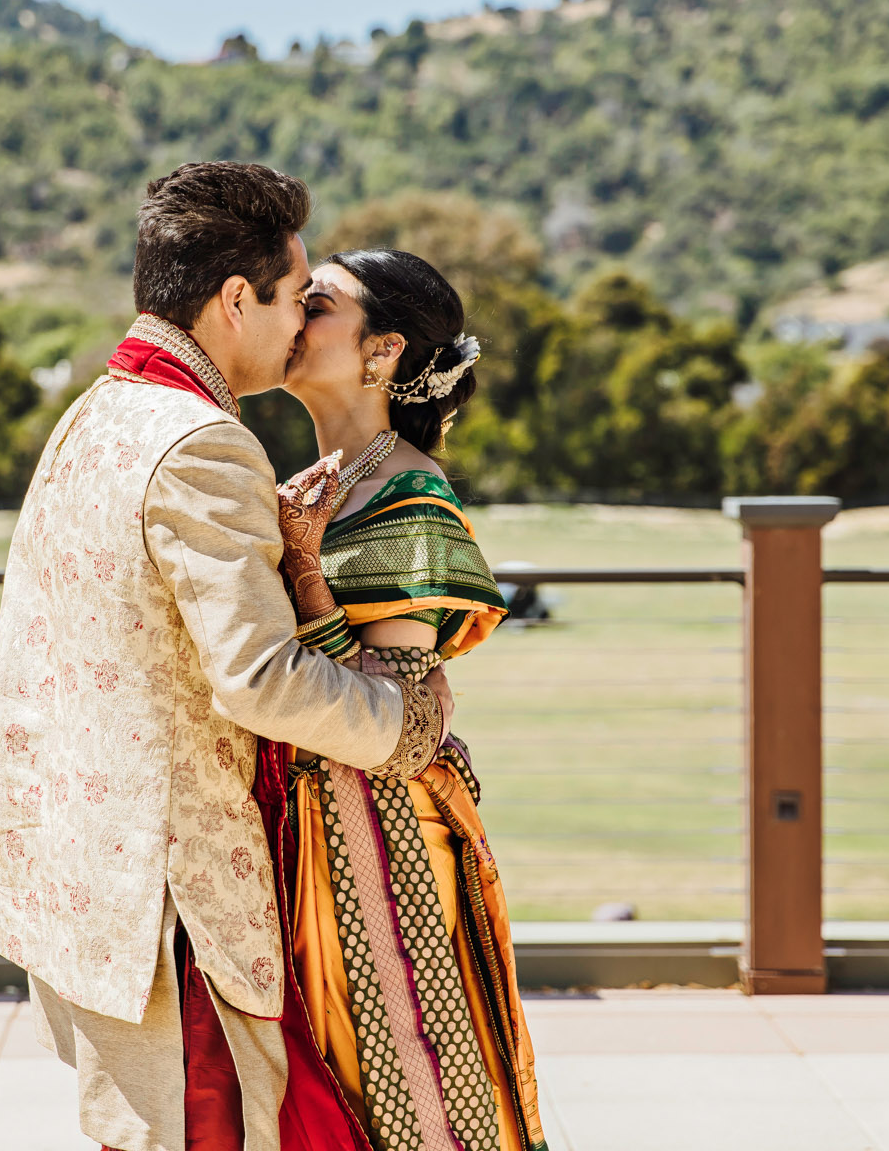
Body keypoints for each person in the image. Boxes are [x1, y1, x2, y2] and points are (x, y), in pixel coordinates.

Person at [0, 162, 453, 1151]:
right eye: (293, 298)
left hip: (83, 888)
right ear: (236, 298)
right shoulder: (201, 443)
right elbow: (260, 678)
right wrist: (403, 721)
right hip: (173, 910)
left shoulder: (92, 417)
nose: (298, 327)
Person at [269, 248, 548, 1151]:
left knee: (408, 1091)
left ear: (381, 352)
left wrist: (306, 571)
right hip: (303, 823)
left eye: (317, 303)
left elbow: (397, 723)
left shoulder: (411, 500)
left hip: (376, 846)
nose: (292, 314)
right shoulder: (327, 482)